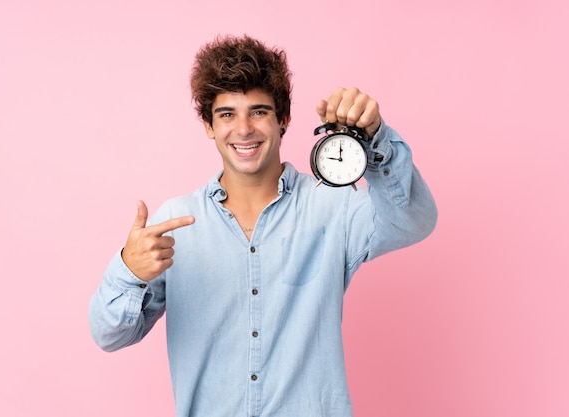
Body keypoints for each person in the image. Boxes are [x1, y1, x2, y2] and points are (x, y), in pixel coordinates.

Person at [89, 34, 437, 417]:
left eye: (258, 111)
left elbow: (413, 220)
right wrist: (128, 271)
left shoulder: (332, 207)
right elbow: (109, 335)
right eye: (226, 114)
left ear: (283, 119)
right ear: (208, 125)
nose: (243, 129)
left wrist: (375, 137)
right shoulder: (175, 223)